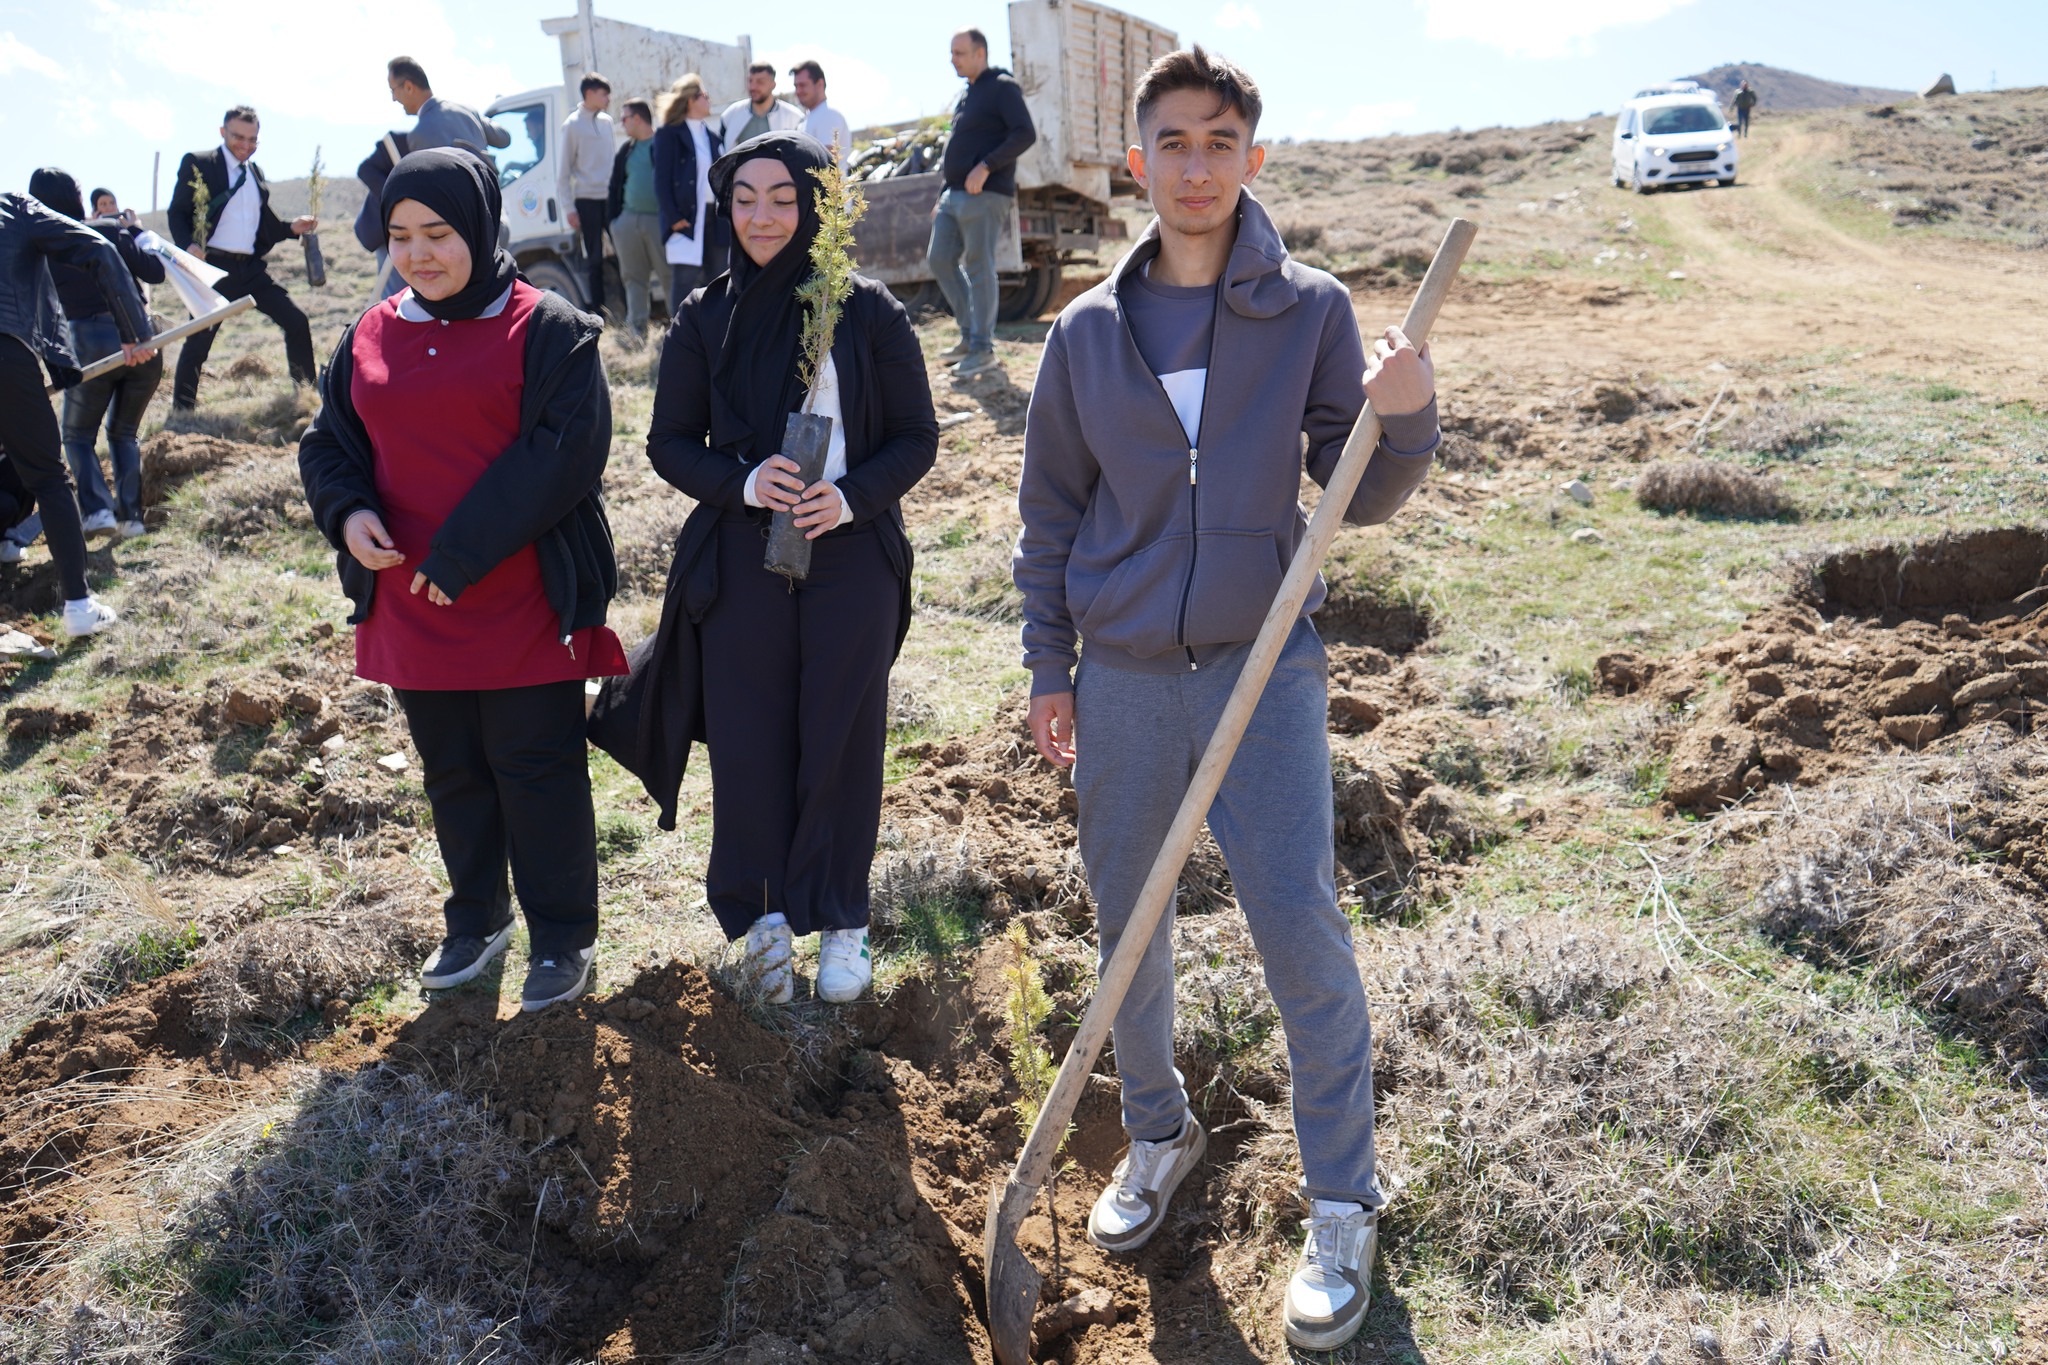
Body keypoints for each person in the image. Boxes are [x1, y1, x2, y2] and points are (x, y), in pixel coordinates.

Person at [1012, 47, 1441, 1353]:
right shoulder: (1087, 332)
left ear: (1253, 158)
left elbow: (1358, 489)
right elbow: (1048, 516)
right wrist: (1047, 665)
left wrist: (1405, 416)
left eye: (1220, 141)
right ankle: (1157, 1132)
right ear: (1136, 162)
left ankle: (1339, 1201)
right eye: (1172, 144)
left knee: (1298, 929)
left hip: (1267, 673)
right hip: (1127, 679)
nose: (1196, 166)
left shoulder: (1306, 309)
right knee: (1130, 934)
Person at [588, 132, 937, 1006]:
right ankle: (764, 921)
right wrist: (744, 482)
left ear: (816, 206)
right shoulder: (706, 314)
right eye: (744, 199)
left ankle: (844, 920)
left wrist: (852, 497)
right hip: (744, 559)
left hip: (853, 558)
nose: (762, 216)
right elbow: (668, 443)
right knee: (748, 739)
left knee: (842, 733)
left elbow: (916, 437)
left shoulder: (868, 311)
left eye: (783, 198)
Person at [298, 149, 626, 1012]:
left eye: (438, 234)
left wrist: (461, 554)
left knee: (536, 764)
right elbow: (329, 444)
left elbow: (562, 456)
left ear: (480, 228)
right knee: (451, 769)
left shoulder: (549, 327)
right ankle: (476, 918)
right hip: (409, 605)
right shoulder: (368, 332)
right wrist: (346, 513)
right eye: (400, 237)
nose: (419, 254)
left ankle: (562, 935)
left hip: (520, 596)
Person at [0, 188, 150, 632]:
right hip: (7, 350)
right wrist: (133, 328)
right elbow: (97, 246)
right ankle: (80, 607)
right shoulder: (15, 206)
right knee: (48, 477)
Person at [29, 168, 163, 541]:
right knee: (124, 432)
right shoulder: (108, 229)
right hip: (143, 336)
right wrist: (135, 231)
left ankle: (98, 509)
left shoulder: (43, 246)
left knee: (75, 434)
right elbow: (154, 273)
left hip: (89, 339)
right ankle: (132, 518)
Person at [165, 105, 318, 409]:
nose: (246, 145)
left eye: (252, 139)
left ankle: (307, 398)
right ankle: (182, 411)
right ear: (223, 132)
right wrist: (189, 246)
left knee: (296, 322)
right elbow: (177, 212)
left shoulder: (254, 172)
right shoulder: (200, 163)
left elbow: (264, 224)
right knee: (199, 340)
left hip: (250, 269)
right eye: (239, 137)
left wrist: (291, 228)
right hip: (213, 268)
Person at [927, 28, 1035, 379]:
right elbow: (961, 143)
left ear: (979, 54)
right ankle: (968, 335)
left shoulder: (1002, 87)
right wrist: (944, 191)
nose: (952, 59)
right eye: (951, 53)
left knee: (978, 267)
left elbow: (1025, 133)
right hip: (953, 194)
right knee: (939, 258)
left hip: (985, 194)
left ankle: (982, 349)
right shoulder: (968, 93)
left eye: (959, 53)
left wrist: (986, 166)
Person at [653, 75, 726, 307]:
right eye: (704, 95)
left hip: (715, 219)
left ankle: (717, 338)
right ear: (690, 100)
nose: (708, 99)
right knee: (685, 281)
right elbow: (661, 181)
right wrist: (673, 218)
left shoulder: (713, 138)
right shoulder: (668, 134)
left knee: (719, 280)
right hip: (686, 219)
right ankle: (679, 337)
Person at [608, 98, 664, 341]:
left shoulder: (663, 144)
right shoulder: (626, 150)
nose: (622, 123)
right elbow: (614, 188)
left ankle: (681, 329)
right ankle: (637, 331)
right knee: (633, 279)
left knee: (669, 275)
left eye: (625, 118)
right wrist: (615, 223)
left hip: (660, 222)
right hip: (628, 222)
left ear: (638, 118)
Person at [561, 73, 615, 316]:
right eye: (603, 93)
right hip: (586, 200)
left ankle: (628, 309)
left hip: (611, 197)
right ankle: (599, 313)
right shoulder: (572, 125)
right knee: (594, 259)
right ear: (589, 94)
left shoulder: (607, 122)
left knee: (621, 253)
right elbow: (563, 172)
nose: (607, 98)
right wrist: (569, 208)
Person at [387, 57, 512, 158]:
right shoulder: (466, 109)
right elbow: (504, 139)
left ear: (409, 87)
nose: (393, 98)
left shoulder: (418, 136)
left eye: (393, 90)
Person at [720, 63, 803, 149]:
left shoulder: (793, 117)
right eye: (750, 81)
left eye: (760, 82)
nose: (753, 87)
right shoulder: (731, 114)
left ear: (773, 85)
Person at [790, 61, 850, 175]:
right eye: (796, 86)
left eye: (803, 85)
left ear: (819, 84)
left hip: (828, 192)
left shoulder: (828, 114)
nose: (798, 91)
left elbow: (826, 160)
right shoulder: (806, 119)